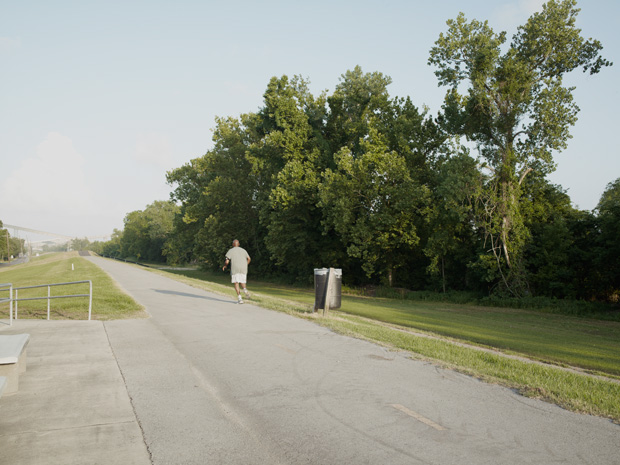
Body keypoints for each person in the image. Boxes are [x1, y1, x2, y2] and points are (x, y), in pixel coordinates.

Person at [222, 239, 251, 304]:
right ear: (239, 244)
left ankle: (240, 298)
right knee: (242, 281)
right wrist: (246, 264)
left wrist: (225, 266)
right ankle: (245, 290)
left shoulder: (231, 251)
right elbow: (249, 258)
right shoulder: (243, 250)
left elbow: (227, 260)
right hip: (243, 268)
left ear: (233, 245)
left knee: (236, 282)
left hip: (235, 268)